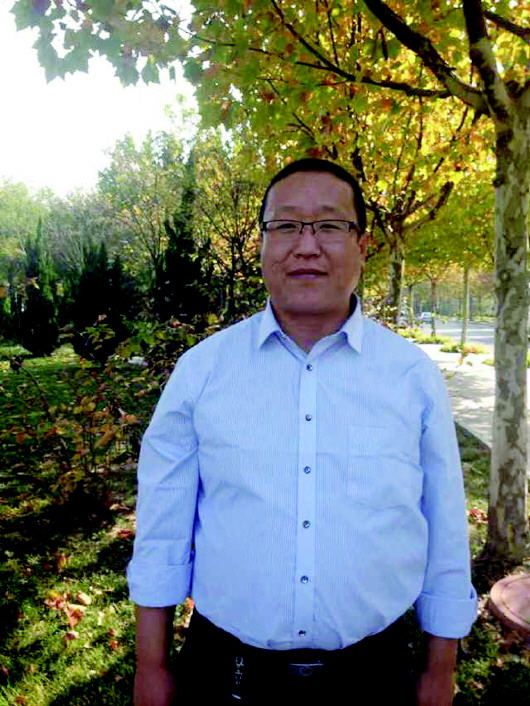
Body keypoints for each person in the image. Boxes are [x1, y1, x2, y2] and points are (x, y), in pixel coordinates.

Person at [127, 158, 477, 706]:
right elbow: (162, 528)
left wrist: (440, 669)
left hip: (375, 674)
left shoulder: (411, 377)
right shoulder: (203, 371)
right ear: (262, 245)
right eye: (286, 225)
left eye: (330, 225)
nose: (307, 246)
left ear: (362, 246)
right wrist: (151, 666)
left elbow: (446, 530)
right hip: (227, 673)